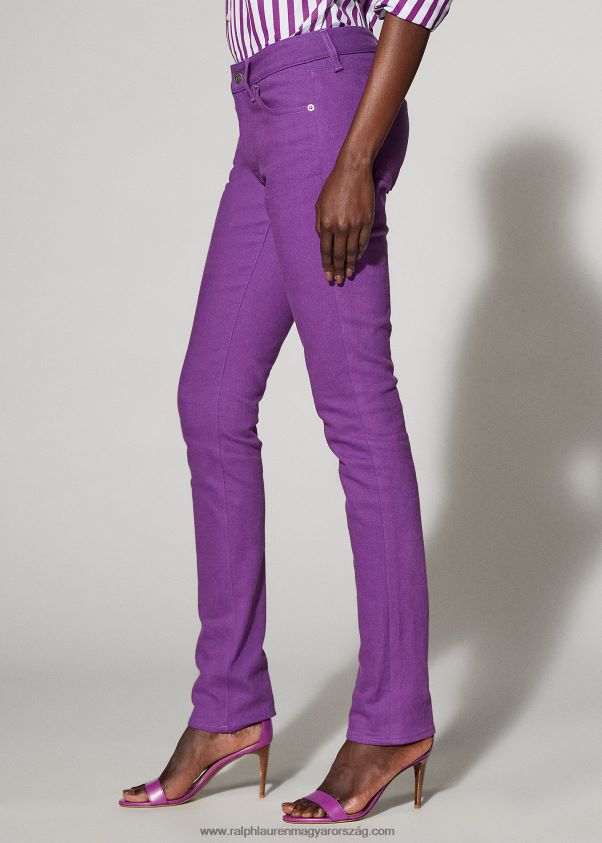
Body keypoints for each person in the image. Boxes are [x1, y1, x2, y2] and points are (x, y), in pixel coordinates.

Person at [120, 0, 453, 823]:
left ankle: (393, 721)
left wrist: (356, 158)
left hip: (326, 107)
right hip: (262, 110)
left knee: (357, 410)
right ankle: (228, 706)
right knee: (211, 400)